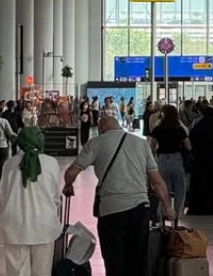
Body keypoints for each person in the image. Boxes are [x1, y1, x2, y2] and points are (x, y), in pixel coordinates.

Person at [64, 115, 173, 276]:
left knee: (115, 261)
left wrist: (68, 186)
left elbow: (71, 172)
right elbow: (157, 181)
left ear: (101, 128)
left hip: (111, 211)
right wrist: (168, 208)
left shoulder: (96, 143)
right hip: (140, 209)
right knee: (140, 260)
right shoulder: (141, 143)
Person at [1, 127, 63, 276]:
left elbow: (5, 193)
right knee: (42, 271)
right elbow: (55, 196)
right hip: (44, 225)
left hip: (15, 225)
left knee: (17, 272)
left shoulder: (9, 164)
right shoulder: (51, 163)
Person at [148, 104, 191, 222]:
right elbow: (188, 146)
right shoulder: (179, 129)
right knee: (180, 189)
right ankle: (176, 216)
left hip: (162, 159)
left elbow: (151, 147)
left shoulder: (158, 129)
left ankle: (162, 214)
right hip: (176, 159)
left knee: (162, 188)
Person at [187, 105, 213, 215]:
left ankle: (199, 208)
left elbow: (190, 145)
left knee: (200, 186)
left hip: (200, 163)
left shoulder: (197, 129)